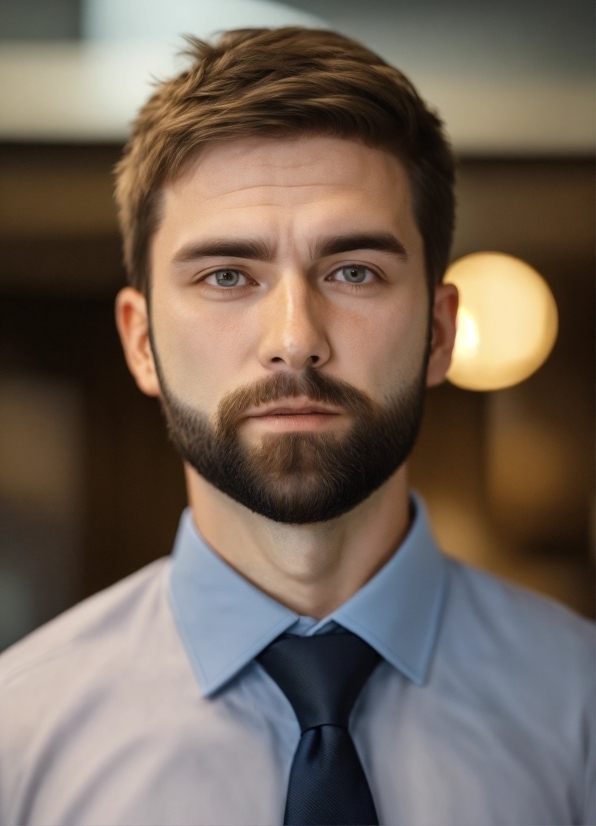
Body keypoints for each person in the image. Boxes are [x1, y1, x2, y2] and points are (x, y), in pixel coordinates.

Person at [0, 27, 593, 826]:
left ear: (440, 332)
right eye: (226, 276)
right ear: (142, 342)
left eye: (354, 271)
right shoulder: (18, 739)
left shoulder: (582, 709)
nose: (293, 337)